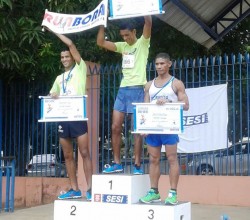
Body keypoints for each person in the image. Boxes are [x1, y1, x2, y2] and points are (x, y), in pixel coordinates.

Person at [97, 16, 152, 175]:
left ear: (134, 32)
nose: (125, 38)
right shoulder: (122, 46)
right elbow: (100, 42)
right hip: (123, 90)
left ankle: (137, 164)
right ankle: (117, 163)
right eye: (123, 36)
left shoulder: (143, 43)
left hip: (137, 90)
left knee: (136, 130)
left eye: (128, 35)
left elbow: (148, 23)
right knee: (115, 127)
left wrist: (144, 8)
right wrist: (101, 23)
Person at [139, 53, 189, 205]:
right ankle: (154, 192)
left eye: (162, 63)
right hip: (153, 128)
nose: (159, 66)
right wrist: (144, 127)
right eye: (157, 64)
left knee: (172, 159)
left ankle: (173, 193)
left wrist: (167, 102)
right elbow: (145, 107)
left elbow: (186, 106)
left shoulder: (177, 83)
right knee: (153, 159)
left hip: (169, 127)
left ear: (169, 64)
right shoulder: (149, 85)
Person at [48, 30, 92, 200]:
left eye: (67, 56)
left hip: (77, 117)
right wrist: (53, 95)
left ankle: (90, 188)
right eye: (63, 57)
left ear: (73, 58)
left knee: (84, 152)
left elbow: (71, 45)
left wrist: (56, 32)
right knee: (67, 155)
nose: (65, 59)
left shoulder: (81, 69)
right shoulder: (59, 78)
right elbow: (52, 94)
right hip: (63, 118)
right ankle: (74, 189)